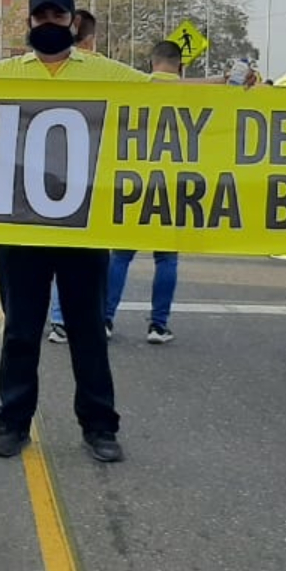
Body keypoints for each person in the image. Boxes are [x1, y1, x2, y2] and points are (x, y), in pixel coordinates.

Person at [0, 0, 148, 464]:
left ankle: (99, 426)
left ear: (74, 22)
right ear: (28, 23)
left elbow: (165, 93)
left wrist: (232, 86)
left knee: (87, 330)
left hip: (81, 228)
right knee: (21, 331)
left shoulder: (105, 72)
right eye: (41, 15)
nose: (49, 23)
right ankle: (12, 422)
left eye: (58, 15)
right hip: (21, 228)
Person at [104, 39, 184, 345]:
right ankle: (157, 325)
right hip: (173, 183)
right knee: (166, 258)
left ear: (152, 63)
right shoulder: (197, 92)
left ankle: (106, 319)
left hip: (134, 181)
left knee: (121, 256)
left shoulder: (135, 88)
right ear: (180, 64)